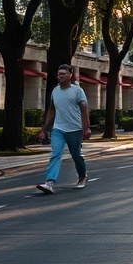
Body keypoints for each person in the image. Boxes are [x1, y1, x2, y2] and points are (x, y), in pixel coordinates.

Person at [36, 64, 92, 194]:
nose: (60, 75)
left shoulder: (77, 91)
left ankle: (82, 177)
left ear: (70, 75)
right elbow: (51, 110)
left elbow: (84, 110)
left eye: (63, 73)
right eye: (59, 73)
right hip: (58, 129)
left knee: (76, 155)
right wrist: (44, 129)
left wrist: (87, 128)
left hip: (74, 129)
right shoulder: (55, 91)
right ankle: (49, 182)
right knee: (55, 154)